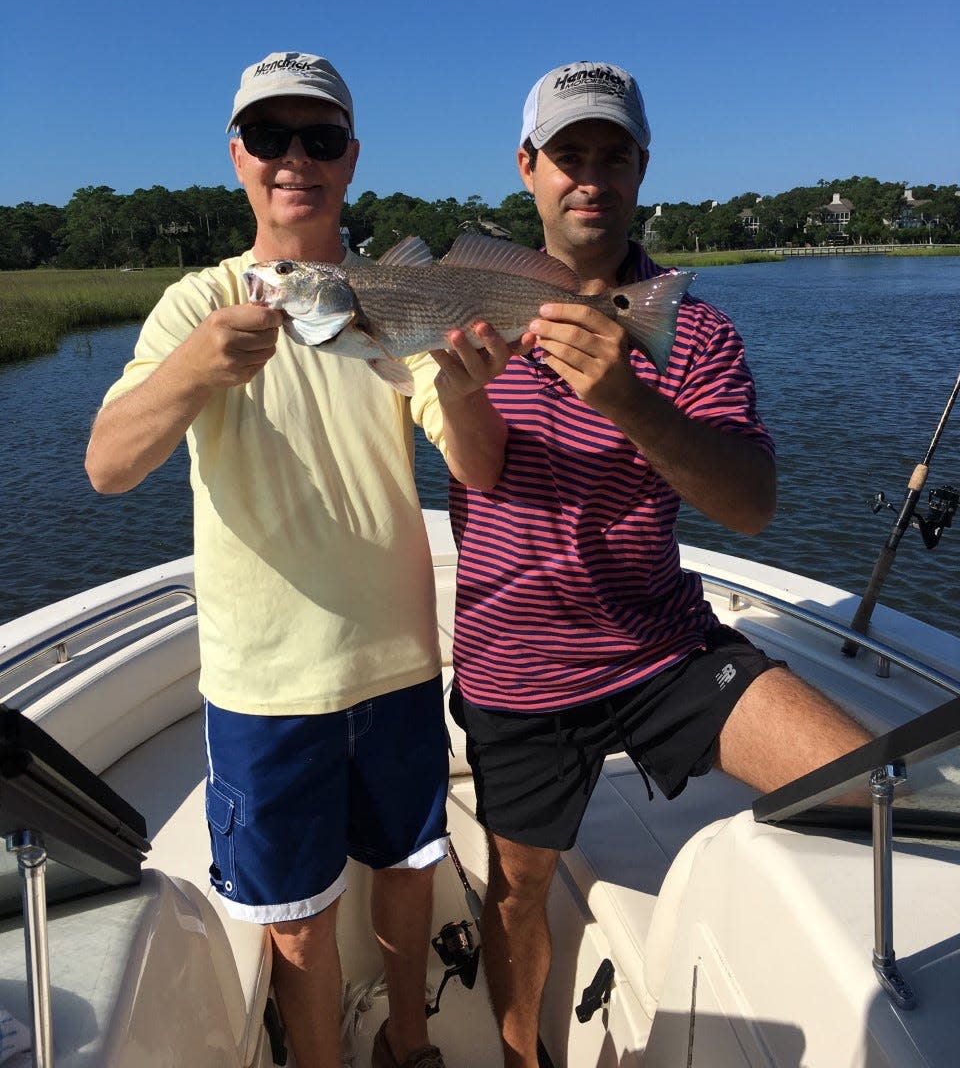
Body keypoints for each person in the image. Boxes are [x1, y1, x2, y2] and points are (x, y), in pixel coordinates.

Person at [409, 60, 870, 1068]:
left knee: (871, 785)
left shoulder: (690, 326)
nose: (591, 176)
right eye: (568, 154)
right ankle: (523, 1055)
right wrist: (461, 384)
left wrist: (632, 397)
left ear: (643, 167)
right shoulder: (464, 313)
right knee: (521, 883)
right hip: (517, 672)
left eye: (613, 154)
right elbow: (473, 466)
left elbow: (749, 504)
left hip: (662, 647)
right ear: (527, 168)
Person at [85, 52, 448, 1068]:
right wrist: (198, 367)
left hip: (399, 659)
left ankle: (410, 1046)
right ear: (238, 154)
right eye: (272, 137)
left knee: (410, 873)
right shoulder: (191, 304)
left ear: (351, 158)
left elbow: (466, 449)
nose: (296, 159)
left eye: (320, 137)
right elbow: (108, 464)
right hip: (264, 680)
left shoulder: (396, 296)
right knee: (296, 917)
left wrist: (469, 377)